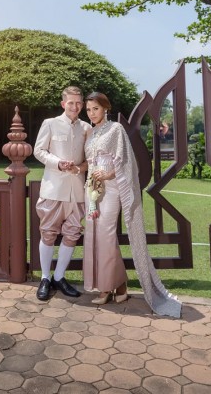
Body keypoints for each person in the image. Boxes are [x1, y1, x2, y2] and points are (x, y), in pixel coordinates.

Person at [83, 91, 181, 318]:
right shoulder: (92, 132)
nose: (91, 113)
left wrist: (107, 175)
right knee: (94, 234)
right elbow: (90, 162)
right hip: (93, 189)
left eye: (95, 109)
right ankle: (121, 284)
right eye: (88, 110)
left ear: (105, 108)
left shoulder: (115, 129)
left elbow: (126, 161)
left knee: (106, 234)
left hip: (112, 186)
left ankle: (107, 287)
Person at [33, 86, 91, 301]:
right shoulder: (50, 123)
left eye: (78, 103)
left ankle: (59, 276)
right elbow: (39, 151)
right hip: (53, 188)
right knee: (48, 232)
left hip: (77, 190)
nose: (75, 106)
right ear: (63, 104)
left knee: (73, 233)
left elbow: (90, 158)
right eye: (71, 102)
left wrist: (80, 167)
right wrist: (58, 163)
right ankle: (45, 278)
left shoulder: (87, 128)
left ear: (82, 105)